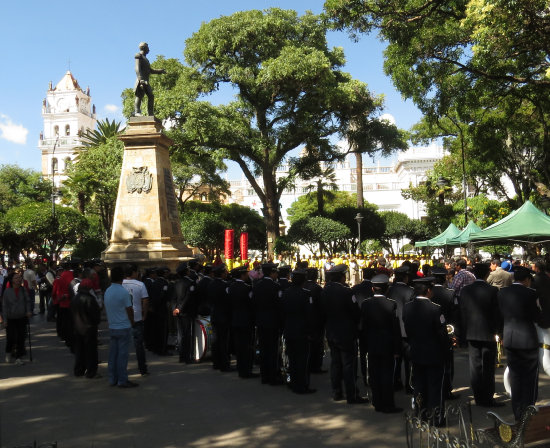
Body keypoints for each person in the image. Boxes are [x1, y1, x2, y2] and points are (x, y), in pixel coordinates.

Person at [403, 277, 450, 426]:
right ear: (428, 290)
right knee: (436, 386)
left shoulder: (407, 307)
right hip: (434, 353)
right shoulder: (435, 308)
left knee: (419, 385)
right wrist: (448, 345)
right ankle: (436, 417)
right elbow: (442, 334)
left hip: (416, 350)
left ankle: (420, 414)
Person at [498, 265, 540, 420]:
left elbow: (500, 314)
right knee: (529, 377)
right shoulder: (531, 293)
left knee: (515, 375)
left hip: (510, 337)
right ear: (527, 280)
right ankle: (528, 409)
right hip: (527, 339)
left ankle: (517, 410)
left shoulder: (502, 292)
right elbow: (537, 316)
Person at [321, 264, 367, 404]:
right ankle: (351, 394)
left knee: (335, 363)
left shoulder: (325, 291)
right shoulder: (346, 292)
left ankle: (337, 392)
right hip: (346, 332)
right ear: (342, 277)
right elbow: (355, 312)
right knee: (348, 364)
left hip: (331, 331)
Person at [459, 263, 503, 407]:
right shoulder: (492, 290)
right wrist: (499, 332)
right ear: (487, 275)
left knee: (475, 366)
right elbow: (497, 315)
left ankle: (478, 396)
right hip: (488, 332)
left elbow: (462, 313)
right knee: (488, 367)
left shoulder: (465, 291)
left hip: (471, 332)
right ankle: (488, 397)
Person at [360, 274, 403, 413]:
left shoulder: (366, 304)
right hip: (387, 344)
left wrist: (364, 345)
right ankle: (388, 404)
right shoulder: (391, 304)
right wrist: (397, 348)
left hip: (372, 344)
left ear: (373, 289)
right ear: (387, 289)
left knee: (374, 374)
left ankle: (377, 401)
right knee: (387, 375)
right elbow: (395, 328)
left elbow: (364, 327)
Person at [282, 268, 315, 394]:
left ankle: (293, 383)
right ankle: (302, 385)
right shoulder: (306, 294)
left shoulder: (285, 293)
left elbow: (282, 312)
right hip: (302, 331)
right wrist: (310, 332)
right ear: (303, 280)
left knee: (292, 359)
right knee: (302, 360)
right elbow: (309, 315)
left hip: (289, 329)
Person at [104, 266, 138, 388]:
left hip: (113, 326)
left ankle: (112, 378)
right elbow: (129, 309)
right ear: (122, 277)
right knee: (122, 355)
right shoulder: (123, 292)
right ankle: (122, 380)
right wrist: (132, 321)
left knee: (113, 354)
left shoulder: (107, 291)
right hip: (123, 326)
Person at [253, 263, 283, 385]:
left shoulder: (257, 285)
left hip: (260, 321)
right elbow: (279, 306)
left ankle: (264, 376)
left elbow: (253, 304)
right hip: (272, 322)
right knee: (272, 350)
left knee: (263, 349)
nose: (277, 275)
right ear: (272, 272)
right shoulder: (275, 286)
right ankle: (272, 377)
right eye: (275, 272)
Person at [387, 265, 415, 393]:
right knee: (408, 361)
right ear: (406, 277)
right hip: (406, 330)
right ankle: (409, 385)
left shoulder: (389, 290)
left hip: (393, 330)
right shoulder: (410, 291)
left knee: (395, 359)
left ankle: (395, 381)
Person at [228, 266, 257, 378]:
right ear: (242, 275)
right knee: (246, 347)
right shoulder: (247, 288)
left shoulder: (231, 287)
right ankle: (246, 370)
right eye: (246, 274)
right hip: (246, 320)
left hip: (235, 320)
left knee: (239, 346)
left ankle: (240, 368)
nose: (247, 276)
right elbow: (251, 304)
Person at [122, 264, 150, 376]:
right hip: (137, 317)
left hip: (123, 319)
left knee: (123, 345)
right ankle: (142, 368)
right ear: (133, 272)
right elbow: (146, 300)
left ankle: (122, 369)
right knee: (139, 345)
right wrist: (145, 313)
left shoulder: (120, 285)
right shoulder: (140, 284)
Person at [71, 278, 101, 378]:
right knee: (91, 351)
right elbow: (95, 315)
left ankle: (79, 370)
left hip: (78, 328)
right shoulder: (90, 299)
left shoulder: (75, 298)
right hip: (89, 328)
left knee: (79, 350)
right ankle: (91, 372)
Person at [2, 270, 32, 364]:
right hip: (10, 318)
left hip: (21, 317)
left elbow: (27, 301)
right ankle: (8, 352)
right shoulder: (7, 291)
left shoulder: (23, 289)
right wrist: (5, 319)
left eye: (19, 278)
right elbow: (4, 306)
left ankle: (18, 357)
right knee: (10, 337)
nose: (19, 279)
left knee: (21, 337)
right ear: (12, 280)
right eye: (16, 278)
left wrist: (28, 311)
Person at [172, 263, 198, 364]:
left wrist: (174, 308)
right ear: (186, 272)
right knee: (187, 335)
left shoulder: (177, 283)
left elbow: (174, 298)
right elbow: (187, 297)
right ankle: (187, 357)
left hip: (178, 312)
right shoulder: (190, 283)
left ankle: (182, 356)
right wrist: (179, 309)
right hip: (186, 312)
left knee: (182, 334)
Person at [209, 264, 233, 372]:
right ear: (222, 273)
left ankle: (216, 362)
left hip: (214, 315)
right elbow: (228, 301)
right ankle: (224, 364)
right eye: (225, 272)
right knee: (223, 341)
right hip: (223, 316)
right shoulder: (225, 285)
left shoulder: (211, 284)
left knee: (215, 340)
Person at [134, 42, 166, 116]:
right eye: (148, 48)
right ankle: (137, 112)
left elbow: (150, 70)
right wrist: (140, 79)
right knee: (139, 95)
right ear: (144, 48)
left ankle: (150, 113)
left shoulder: (146, 59)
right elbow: (137, 68)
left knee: (151, 96)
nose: (149, 50)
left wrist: (160, 71)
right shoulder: (139, 56)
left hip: (146, 81)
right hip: (141, 80)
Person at [304, 267, 326, 374]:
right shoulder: (317, 288)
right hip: (316, 320)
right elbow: (322, 305)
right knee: (317, 344)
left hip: (304, 319)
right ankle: (316, 366)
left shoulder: (303, 286)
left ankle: (308, 364)